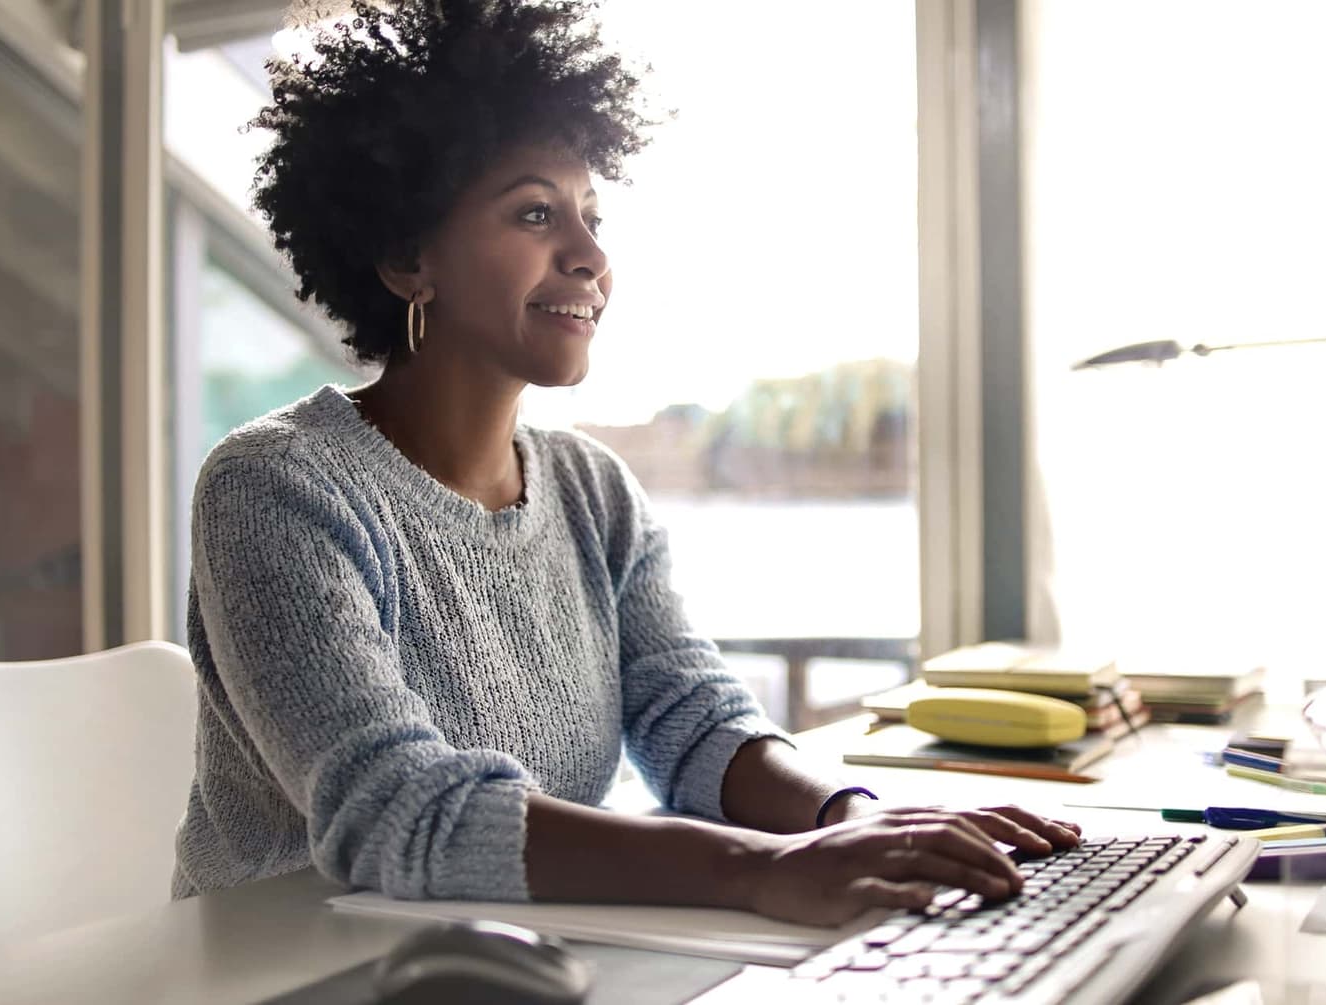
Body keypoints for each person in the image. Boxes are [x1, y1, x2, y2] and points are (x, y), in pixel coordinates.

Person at [172, 0, 1080, 926]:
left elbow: (695, 723)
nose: (592, 256)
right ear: (409, 257)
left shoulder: (593, 490)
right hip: (289, 967)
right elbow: (400, 811)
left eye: (592, 216)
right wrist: (759, 871)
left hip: (523, 955)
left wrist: (856, 818)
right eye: (536, 212)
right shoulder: (276, 486)